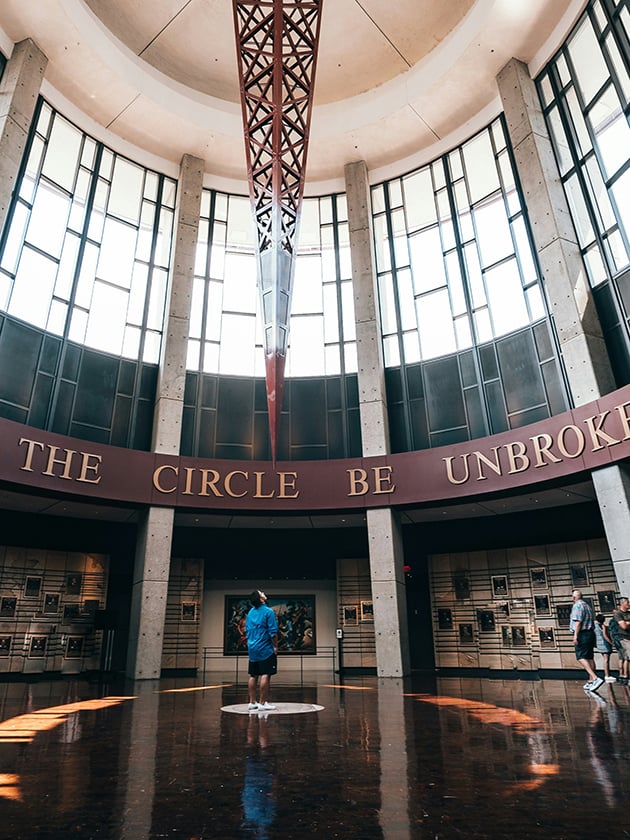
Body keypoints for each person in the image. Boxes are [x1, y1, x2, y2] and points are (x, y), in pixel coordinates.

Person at [245, 589, 279, 712]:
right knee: (266, 674)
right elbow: (273, 632)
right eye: (261, 593)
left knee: (253, 675)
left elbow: (247, 631)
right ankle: (262, 703)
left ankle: (252, 702)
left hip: (252, 648)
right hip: (265, 648)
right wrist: (275, 646)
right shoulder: (268, 612)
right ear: (261, 599)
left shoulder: (250, 613)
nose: (263, 593)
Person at [570, 589, 603, 692]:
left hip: (582, 633)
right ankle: (590, 681)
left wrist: (575, 635)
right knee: (589, 657)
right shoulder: (587, 605)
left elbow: (578, 622)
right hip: (590, 633)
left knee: (580, 656)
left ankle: (595, 678)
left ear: (574, 598)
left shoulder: (577, 606)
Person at [612, 596, 630, 686]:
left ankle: (623, 675)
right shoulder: (618, 614)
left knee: (624, 658)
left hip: (627, 637)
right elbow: (624, 626)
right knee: (626, 657)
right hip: (622, 638)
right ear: (622, 603)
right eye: (627, 602)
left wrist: (627, 623)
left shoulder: (628, 613)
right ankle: (624, 675)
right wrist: (626, 623)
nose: (629, 604)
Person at [593, 613, 616, 682]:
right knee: (606, 660)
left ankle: (607, 675)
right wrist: (611, 643)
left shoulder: (595, 626)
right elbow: (605, 636)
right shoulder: (603, 626)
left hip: (599, 644)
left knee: (605, 659)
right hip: (604, 644)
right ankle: (607, 675)